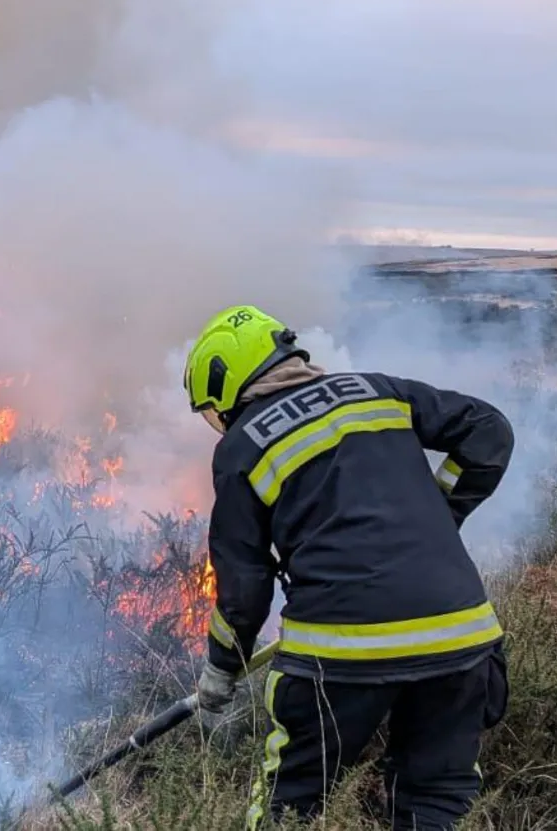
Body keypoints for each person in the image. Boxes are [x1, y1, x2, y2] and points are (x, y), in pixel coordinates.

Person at [181, 304, 514, 831]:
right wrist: (440, 510)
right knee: (438, 802)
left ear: (226, 383)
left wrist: (222, 669)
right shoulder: (380, 390)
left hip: (340, 654)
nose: (216, 423)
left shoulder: (242, 447)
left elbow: (244, 588)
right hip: (462, 638)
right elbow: (489, 433)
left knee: (290, 806)